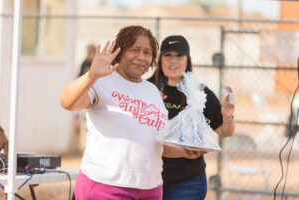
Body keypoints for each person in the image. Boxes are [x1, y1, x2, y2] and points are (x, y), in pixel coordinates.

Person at [59, 25, 169, 200]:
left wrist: (189, 151)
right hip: (107, 186)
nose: (141, 57)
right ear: (120, 52)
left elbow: (158, 142)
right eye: (135, 50)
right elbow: (67, 102)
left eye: (147, 52)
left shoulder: (152, 91)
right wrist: (91, 75)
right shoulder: (102, 81)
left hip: (150, 188)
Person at [148, 35, 235, 200]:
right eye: (168, 55)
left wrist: (228, 117)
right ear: (160, 60)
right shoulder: (147, 89)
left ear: (187, 59)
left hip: (187, 182)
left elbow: (225, 131)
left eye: (179, 55)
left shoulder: (200, 93)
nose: (173, 61)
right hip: (147, 180)